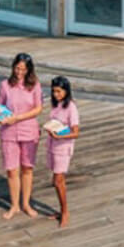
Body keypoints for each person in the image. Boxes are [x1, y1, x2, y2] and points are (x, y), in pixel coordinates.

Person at [0, 52, 43, 220]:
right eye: (17, 68)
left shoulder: (35, 85)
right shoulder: (5, 85)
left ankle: (26, 204)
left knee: (27, 168)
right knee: (11, 169)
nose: (19, 72)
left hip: (29, 130)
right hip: (9, 133)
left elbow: (38, 109)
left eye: (23, 69)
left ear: (29, 70)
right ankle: (14, 205)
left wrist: (18, 117)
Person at [45, 75, 81, 228]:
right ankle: (61, 210)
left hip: (62, 147)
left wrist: (60, 135)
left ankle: (65, 211)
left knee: (59, 180)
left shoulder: (71, 108)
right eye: (54, 91)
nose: (56, 95)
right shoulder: (56, 105)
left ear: (66, 91)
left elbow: (76, 132)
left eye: (59, 91)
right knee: (56, 180)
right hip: (52, 145)